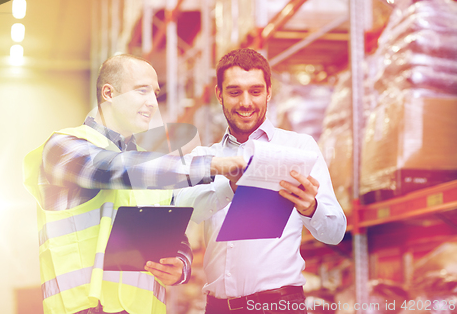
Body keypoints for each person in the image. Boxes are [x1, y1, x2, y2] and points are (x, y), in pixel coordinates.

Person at [23, 54, 246, 314]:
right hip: (84, 308)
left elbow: (171, 230)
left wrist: (181, 265)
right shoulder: (65, 147)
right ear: (109, 93)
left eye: (155, 93)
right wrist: (209, 165)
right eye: (142, 91)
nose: (152, 103)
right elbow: (112, 169)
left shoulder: (151, 165)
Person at [174, 48, 347, 313]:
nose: (245, 102)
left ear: (268, 92)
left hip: (279, 305)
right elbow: (181, 210)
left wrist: (310, 208)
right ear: (219, 94)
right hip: (218, 308)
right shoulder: (206, 158)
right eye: (234, 92)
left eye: (255, 91)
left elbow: (335, 232)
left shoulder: (299, 148)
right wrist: (230, 186)